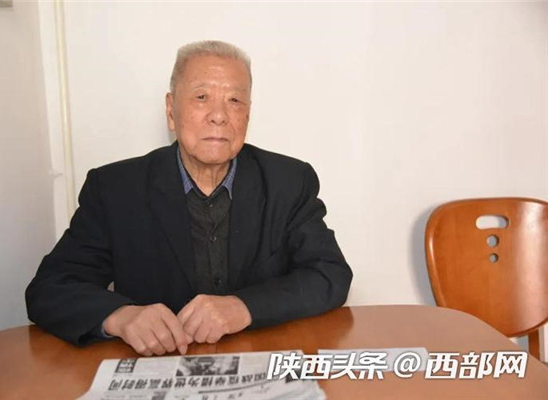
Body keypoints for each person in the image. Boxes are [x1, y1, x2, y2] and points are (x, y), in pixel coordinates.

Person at [25, 40, 353, 357]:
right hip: (160, 367)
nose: (219, 115)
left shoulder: (289, 181)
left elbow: (330, 274)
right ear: (171, 111)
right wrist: (120, 316)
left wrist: (245, 307)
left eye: (235, 100)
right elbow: (50, 288)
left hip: (261, 360)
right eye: (201, 97)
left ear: (248, 115)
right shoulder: (115, 189)